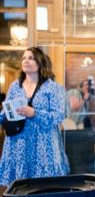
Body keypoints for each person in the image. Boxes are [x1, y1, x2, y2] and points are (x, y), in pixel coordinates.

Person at [0, 47, 69, 185]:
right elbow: (5, 111)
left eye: (31, 58)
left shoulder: (53, 88)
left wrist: (34, 113)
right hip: (18, 143)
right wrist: (4, 115)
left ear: (40, 62)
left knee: (44, 187)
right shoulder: (15, 86)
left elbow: (59, 115)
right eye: (24, 58)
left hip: (43, 144)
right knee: (20, 187)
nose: (26, 61)